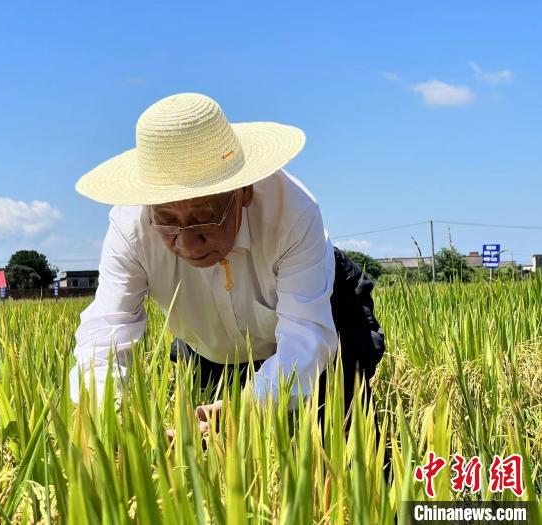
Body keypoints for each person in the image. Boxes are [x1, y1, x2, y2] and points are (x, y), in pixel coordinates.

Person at [70, 92, 385, 433]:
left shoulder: (292, 213)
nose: (187, 242)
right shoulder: (131, 228)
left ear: (244, 191)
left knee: (340, 441)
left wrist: (249, 407)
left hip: (322, 316)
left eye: (204, 218)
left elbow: (306, 335)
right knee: (215, 449)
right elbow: (107, 331)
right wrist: (106, 421)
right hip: (210, 345)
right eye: (167, 221)